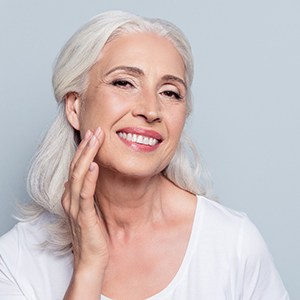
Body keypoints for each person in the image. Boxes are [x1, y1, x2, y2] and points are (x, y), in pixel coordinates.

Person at [0, 10, 289, 300]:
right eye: (124, 83)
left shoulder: (233, 245)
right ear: (75, 107)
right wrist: (89, 268)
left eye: (170, 92)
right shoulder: (16, 260)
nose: (150, 110)